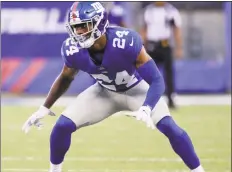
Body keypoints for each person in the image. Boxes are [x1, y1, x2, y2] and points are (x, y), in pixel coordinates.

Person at [22, 2, 204, 172]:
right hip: (103, 93)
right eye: (75, 27)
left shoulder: (125, 41)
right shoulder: (72, 49)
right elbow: (65, 78)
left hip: (136, 91)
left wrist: (147, 107)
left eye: (84, 25)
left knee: (169, 126)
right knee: (62, 126)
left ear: (99, 23)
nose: (78, 32)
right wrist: (45, 107)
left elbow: (156, 79)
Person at [141, 1, 183, 108]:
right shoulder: (149, 10)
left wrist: (179, 47)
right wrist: (142, 46)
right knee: (149, 73)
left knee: (168, 73)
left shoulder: (171, 11)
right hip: (151, 45)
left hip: (165, 44)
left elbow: (176, 29)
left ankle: (171, 98)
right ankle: (148, 99)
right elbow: (144, 29)